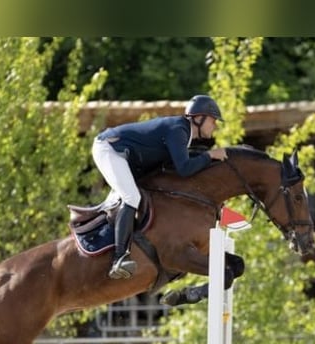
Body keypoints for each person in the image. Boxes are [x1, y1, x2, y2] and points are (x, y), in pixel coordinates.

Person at [92, 94, 228, 279]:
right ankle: (119, 258)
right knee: (132, 197)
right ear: (199, 118)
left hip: (127, 157)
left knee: (138, 195)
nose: (215, 125)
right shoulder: (178, 129)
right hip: (110, 149)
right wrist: (210, 155)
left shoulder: (183, 134)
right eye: (213, 120)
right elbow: (185, 169)